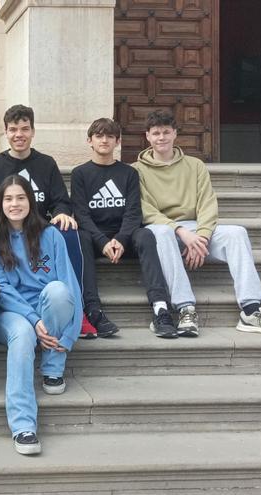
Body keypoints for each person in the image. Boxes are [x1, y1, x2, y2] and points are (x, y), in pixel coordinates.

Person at [133, 109, 261, 336]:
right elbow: (145, 210)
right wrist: (181, 232)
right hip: (166, 230)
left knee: (236, 232)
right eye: (156, 133)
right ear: (147, 136)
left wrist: (202, 237)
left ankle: (251, 309)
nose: (161, 138)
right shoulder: (136, 170)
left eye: (166, 132)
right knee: (159, 233)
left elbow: (207, 203)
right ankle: (185, 307)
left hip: (196, 230)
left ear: (175, 134)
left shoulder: (195, 165)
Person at [0, 175, 83, 455]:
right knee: (24, 334)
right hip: (11, 312)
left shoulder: (51, 234)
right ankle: (23, 425)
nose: (14, 204)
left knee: (58, 291)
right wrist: (32, 319)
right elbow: (0, 286)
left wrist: (70, 337)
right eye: (8, 199)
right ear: (0, 204)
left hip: (47, 307)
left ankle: (52, 365)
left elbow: (70, 284)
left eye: (21, 198)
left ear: (31, 200)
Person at [0, 104, 98, 339]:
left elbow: (60, 200)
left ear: (33, 132)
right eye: (13, 129)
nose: (19, 135)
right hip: (10, 228)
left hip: (40, 230)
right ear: (6, 132)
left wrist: (62, 212)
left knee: (68, 232)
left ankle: (77, 309)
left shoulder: (46, 163)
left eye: (24, 129)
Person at [71, 118, 178, 339]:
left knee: (146, 234)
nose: (104, 140)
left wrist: (120, 239)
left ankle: (160, 307)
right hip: (95, 238)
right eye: (99, 136)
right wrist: (102, 241)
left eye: (110, 136)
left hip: (124, 238)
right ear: (89, 140)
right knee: (79, 238)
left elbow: (133, 213)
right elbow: (81, 214)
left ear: (117, 141)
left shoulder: (128, 173)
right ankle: (93, 310)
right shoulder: (80, 174)